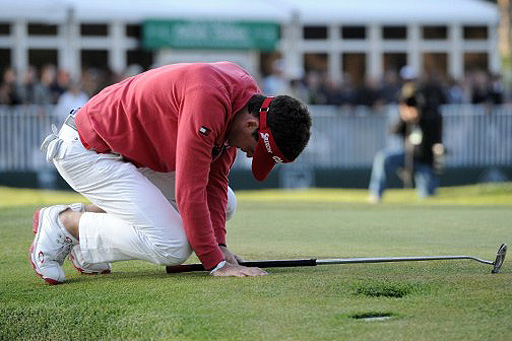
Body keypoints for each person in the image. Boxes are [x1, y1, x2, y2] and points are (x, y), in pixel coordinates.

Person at [29, 62, 312, 284]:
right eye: (256, 150)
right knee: (173, 247)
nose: (250, 155)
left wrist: (220, 246)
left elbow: (213, 183)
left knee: (227, 202)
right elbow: (190, 191)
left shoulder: (243, 101)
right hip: (88, 150)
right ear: (251, 126)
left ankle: (86, 237)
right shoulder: (209, 100)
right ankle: (65, 224)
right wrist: (216, 263)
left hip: (126, 154)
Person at [368, 82, 444, 202]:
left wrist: (419, 118)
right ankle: (376, 193)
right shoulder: (406, 112)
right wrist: (403, 118)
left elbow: (434, 134)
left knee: (427, 196)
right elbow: (393, 131)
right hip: (408, 155)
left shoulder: (431, 111)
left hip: (425, 159)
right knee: (383, 158)